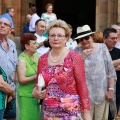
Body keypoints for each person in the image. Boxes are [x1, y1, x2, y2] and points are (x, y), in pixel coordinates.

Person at [32, 19, 91, 120]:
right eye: (52, 35)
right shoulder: (42, 59)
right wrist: (35, 92)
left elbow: (82, 85)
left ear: (67, 38)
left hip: (70, 113)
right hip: (49, 113)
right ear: (48, 38)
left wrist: (86, 112)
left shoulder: (74, 57)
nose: (56, 38)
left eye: (60, 35)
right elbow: (38, 83)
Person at [74, 25, 116, 120]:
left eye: (86, 38)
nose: (84, 41)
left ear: (91, 36)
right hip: (83, 95)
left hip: (102, 94)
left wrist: (111, 90)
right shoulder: (75, 52)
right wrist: (82, 58)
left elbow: (110, 70)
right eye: (81, 39)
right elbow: (72, 72)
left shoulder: (102, 48)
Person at [17, 33, 40, 120]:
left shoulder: (36, 55)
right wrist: (36, 77)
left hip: (36, 94)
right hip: (26, 95)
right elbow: (21, 80)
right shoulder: (22, 60)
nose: (37, 45)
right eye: (34, 43)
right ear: (26, 46)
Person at [0, 17, 17, 120]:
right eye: (0, 23)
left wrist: (11, 89)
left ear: (10, 30)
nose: (2, 25)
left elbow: (14, 66)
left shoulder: (12, 44)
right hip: (2, 92)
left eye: (5, 24)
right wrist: (11, 91)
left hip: (11, 91)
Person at [103, 28, 120, 119]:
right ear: (104, 39)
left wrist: (107, 66)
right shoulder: (99, 50)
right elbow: (101, 66)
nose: (115, 40)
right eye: (112, 38)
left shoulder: (118, 51)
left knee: (113, 113)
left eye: (116, 38)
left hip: (116, 87)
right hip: (101, 87)